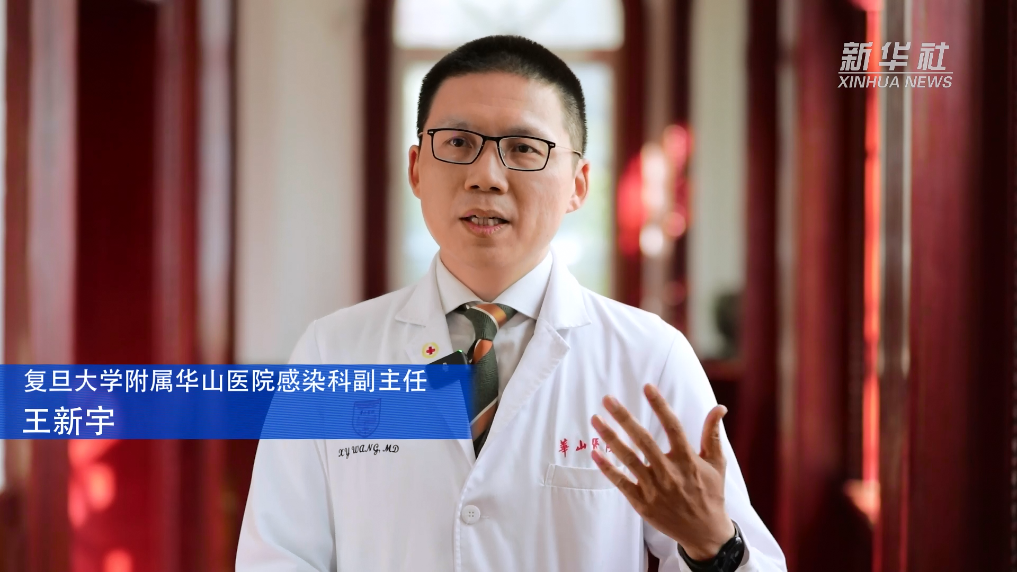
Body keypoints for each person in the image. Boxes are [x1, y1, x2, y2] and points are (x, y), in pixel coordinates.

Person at [236, 35, 786, 572]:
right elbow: (279, 556)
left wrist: (713, 547)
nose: (486, 177)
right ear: (416, 169)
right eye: (458, 143)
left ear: (578, 184)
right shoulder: (332, 352)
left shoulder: (649, 357)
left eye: (523, 148)